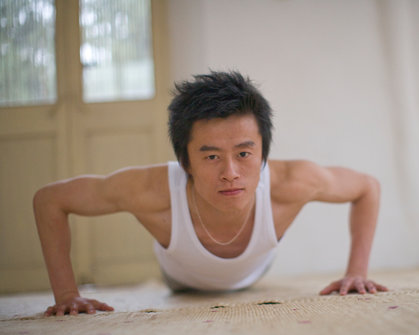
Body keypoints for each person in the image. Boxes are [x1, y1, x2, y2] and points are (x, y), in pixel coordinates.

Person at [33, 71, 387, 316]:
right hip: (180, 278)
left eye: (245, 154)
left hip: (255, 270)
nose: (230, 173)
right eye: (212, 156)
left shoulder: (292, 181)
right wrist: (66, 294)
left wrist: (357, 271)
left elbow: (367, 187)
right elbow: (50, 199)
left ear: (263, 153)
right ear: (185, 161)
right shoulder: (149, 190)